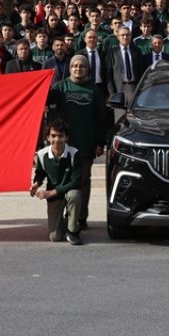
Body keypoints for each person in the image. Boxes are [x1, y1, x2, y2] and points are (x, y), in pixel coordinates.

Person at [45, 55, 109, 227]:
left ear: (87, 69)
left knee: (82, 182)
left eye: (81, 66)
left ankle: (80, 217)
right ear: (70, 68)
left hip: (85, 145)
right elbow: (43, 101)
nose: (78, 69)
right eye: (74, 66)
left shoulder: (94, 91)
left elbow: (101, 119)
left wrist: (100, 143)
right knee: (61, 181)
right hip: (62, 146)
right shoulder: (60, 87)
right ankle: (62, 217)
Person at [31, 120, 86, 245]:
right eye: (53, 136)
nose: (57, 140)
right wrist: (36, 184)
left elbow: (76, 182)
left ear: (66, 137)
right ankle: (70, 219)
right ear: (48, 137)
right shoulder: (41, 154)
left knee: (74, 195)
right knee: (55, 237)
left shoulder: (75, 154)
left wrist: (51, 193)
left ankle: (73, 231)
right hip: (54, 196)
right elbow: (40, 173)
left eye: (61, 136)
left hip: (65, 191)